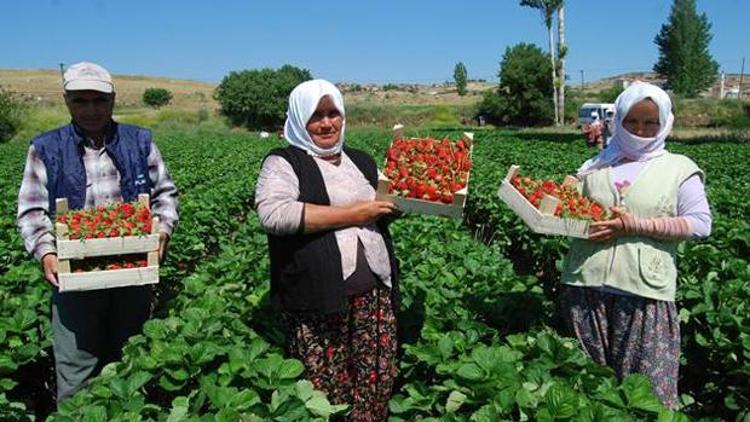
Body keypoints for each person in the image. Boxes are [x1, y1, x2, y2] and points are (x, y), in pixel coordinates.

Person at [16, 62, 179, 403]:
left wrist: (161, 230)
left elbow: (164, 194)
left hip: (133, 270)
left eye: (99, 101)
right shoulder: (46, 148)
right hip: (74, 276)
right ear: (67, 102)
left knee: (131, 360)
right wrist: (46, 252)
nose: (91, 109)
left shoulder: (139, 141)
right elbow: (31, 211)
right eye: (80, 101)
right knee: (77, 367)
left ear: (113, 100)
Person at [559, 81, 712, 409]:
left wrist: (636, 225)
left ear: (665, 123)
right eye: (632, 120)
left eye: (650, 122)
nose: (641, 129)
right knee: (588, 394)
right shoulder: (596, 165)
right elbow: (570, 214)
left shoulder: (679, 169)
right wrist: (563, 195)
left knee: (647, 399)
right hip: (584, 288)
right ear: (619, 120)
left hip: (643, 297)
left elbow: (700, 224)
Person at [254, 79, 400, 421]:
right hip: (317, 298)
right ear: (299, 120)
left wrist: (398, 204)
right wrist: (355, 214)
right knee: (327, 387)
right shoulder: (284, 162)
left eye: (333, 113)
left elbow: (387, 200)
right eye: (315, 115)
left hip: (374, 293)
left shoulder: (360, 160)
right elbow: (275, 214)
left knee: (375, 379)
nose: (327, 123)